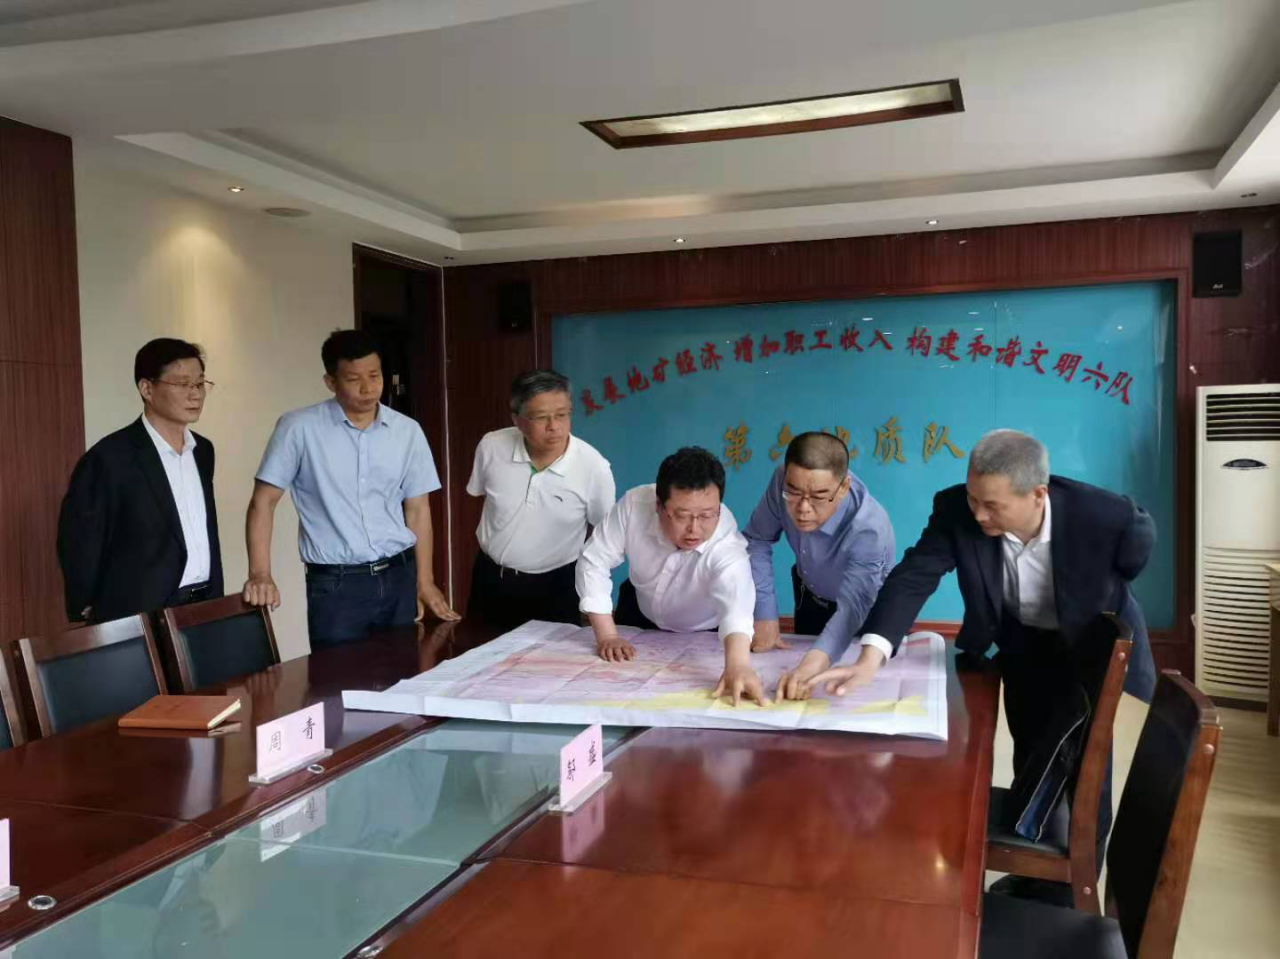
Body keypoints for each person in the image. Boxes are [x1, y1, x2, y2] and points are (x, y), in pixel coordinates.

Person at [778, 428, 1157, 903]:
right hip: (1022, 645)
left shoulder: (1106, 515)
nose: (978, 514)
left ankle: (1074, 890)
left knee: (1086, 773)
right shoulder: (957, 508)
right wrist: (869, 658)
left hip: (1090, 651)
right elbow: (913, 577)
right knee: (1029, 753)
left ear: (1037, 495)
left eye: (992, 506)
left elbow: (1136, 555)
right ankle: (1033, 877)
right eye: (974, 499)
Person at [242, 329, 457, 649]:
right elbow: (263, 502)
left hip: (399, 574)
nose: (368, 388)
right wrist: (261, 573)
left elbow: (418, 509)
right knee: (337, 676)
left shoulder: (407, 431)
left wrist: (424, 581)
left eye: (374, 375)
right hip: (337, 584)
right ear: (330, 382)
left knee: (403, 673)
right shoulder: (299, 428)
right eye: (354, 379)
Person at [575, 446, 763, 706]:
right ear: (658, 505)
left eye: (707, 515)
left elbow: (737, 605)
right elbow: (594, 560)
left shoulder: (725, 543)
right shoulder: (634, 505)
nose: (695, 528)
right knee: (622, 692)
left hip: (702, 626)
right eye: (682, 516)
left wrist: (738, 665)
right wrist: (607, 636)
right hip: (640, 610)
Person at [58, 338, 223, 623]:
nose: (195, 394)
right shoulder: (110, 457)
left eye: (199, 384)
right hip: (139, 612)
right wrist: (86, 602)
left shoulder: (203, 451)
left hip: (203, 606)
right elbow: (81, 539)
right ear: (147, 389)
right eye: (183, 384)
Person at [465, 369, 615, 631]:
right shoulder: (491, 446)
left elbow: (604, 535)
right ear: (517, 419)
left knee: (553, 657)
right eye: (541, 417)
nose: (554, 426)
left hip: (556, 586)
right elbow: (482, 498)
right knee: (478, 648)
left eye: (562, 414)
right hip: (491, 579)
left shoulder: (593, 467)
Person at [743, 431, 895, 662]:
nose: (803, 508)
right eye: (794, 492)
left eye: (818, 496)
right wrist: (765, 614)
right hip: (811, 597)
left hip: (865, 611)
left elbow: (853, 609)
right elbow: (756, 539)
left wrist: (816, 662)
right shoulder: (784, 478)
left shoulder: (869, 527)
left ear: (844, 487)